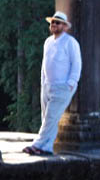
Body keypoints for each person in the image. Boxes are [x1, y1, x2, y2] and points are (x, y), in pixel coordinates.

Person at [24, 11, 81, 156]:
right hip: (47, 86)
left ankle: (37, 144)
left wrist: (71, 83)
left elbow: (76, 64)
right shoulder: (48, 42)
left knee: (50, 117)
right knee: (48, 118)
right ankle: (47, 147)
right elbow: (45, 63)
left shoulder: (70, 42)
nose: (54, 25)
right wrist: (43, 82)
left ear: (65, 26)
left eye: (58, 22)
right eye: (52, 22)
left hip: (62, 87)